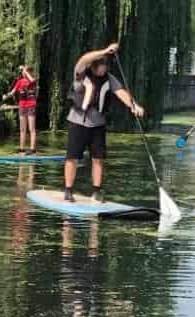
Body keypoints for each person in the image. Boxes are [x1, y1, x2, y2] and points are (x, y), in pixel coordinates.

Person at [62, 42, 144, 201]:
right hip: (78, 121)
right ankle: (68, 190)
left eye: (105, 67)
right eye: (100, 66)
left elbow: (121, 93)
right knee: (72, 157)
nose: (103, 70)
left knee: (98, 158)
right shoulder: (80, 72)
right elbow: (84, 58)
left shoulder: (109, 78)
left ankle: (97, 191)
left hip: (98, 124)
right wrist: (105, 51)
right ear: (93, 66)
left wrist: (134, 106)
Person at [2, 64, 40, 152]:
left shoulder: (33, 81)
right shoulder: (20, 81)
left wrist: (26, 71)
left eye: (25, 72)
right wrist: (6, 96)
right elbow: (12, 92)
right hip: (22, 106)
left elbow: (32, 80)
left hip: (31, 105)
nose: (23, 73)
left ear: (30, 72)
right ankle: (22, 149)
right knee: (22, 128)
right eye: (23, 72)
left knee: (31, 128)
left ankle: (32, 149)